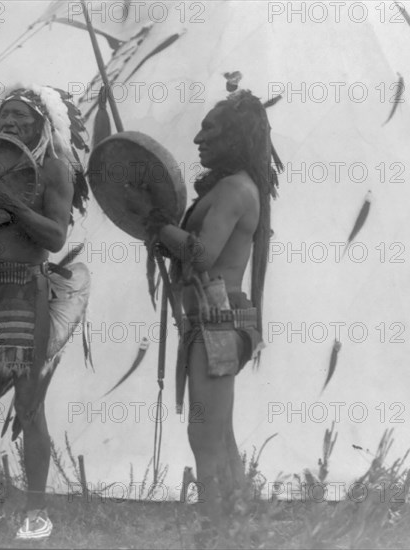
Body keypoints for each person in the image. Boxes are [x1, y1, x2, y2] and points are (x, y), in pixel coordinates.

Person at [0, 85, 90, 540]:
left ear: (41, 124)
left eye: (19, 116)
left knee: (29, 408)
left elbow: (54, 238)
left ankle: (36, 511)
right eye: (3, 115)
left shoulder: (54, 171)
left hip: (23, 297)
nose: (8, 122)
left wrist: (14, 205)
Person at [146, 89, 281, 533]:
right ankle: (238, 522)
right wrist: (164, 235)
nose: (198, 139)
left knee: (203, 437)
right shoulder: (235, 186)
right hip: (216, 322)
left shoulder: (234, 189)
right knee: (220, 435)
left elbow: (202, 257)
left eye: (211, 130)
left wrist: (160, 227)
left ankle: (215, 533)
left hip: (218, 325)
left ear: (236, 137)